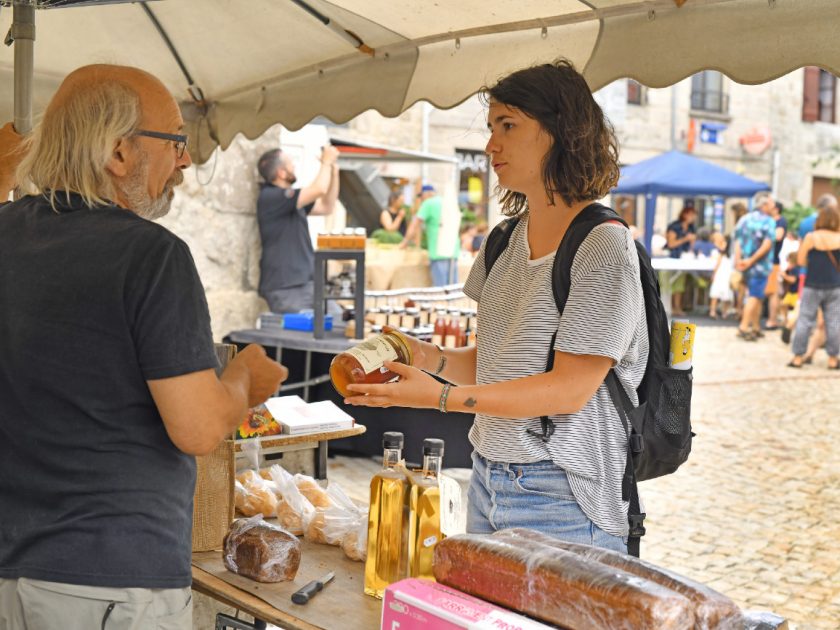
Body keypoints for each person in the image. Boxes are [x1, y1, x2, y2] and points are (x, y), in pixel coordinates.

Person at [0, 64, 287, 629]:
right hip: (108, 580)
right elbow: (199, 428)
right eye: (175, 141)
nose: (185, 161)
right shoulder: (151, 255)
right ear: (117, 152)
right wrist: (243, 382)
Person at [345, 60, 647, 553]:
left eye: (508, 126)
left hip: (564, 494)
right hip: (487, 475)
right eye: (491, 128)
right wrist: (421, 358)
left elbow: (569, 390)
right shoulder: (504, 240)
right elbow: (493, 364)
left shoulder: (602, 246)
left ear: (560, 133)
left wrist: (438, 399)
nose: (491, 145)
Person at [256, 144, 340, 314]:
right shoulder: (271, 196)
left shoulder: (293, 202)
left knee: (337, 322)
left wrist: (334, 172)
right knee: (299, 337)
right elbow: (319, 189)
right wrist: (326, 162)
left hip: (306, 284)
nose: (294, 165)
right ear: (281, 173)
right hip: (287, 287)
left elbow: (326, 207)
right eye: (290, 163)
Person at [788, 205, 840, 369]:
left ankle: (797, 357)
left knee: (805, 320)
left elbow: (801, 261)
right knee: (833, 322)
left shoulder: (811, 237)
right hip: (834, 285)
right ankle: (833, 359)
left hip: (812, 284)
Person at [733, 193, 776, 341]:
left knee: (756, 295)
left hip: (744, 264)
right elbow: (767, 244)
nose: (773, 206)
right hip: (759, 265)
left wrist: (739, 260)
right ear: (763, 205)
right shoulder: (769, 222)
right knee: (755, 296)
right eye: (771, 203)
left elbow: (737, 240)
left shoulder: (744, 219)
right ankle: (744, 327)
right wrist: (751, 261)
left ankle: (756, 327)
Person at [401, 184, 460, 286]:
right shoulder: (447, 202)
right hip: (453, 251)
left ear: (426, 194)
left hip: (438, 252)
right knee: (452, 291)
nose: (421, 199)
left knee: (440, 291)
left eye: (421, 196)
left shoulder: (428, 203)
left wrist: (404, 242)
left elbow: (415, 224)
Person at [665, 204, 697, 315]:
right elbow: (671, 244)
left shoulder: (691, 227)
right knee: (670, 284)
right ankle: (670, 307)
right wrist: (685, 239)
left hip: (684, 259)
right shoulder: (674, 226)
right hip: (671, 259)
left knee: (680, 284)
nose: (694, 217)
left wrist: (692, 241)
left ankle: (678, 308)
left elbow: (691, 246)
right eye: (692, 214)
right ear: (685, 214)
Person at [764, 200, 788, 330]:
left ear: (776, 209)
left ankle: (772, 320)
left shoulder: (781, 221)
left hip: (772, 261)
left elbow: (778, 236)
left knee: (773, 292)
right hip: (765, 260)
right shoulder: (767, 220)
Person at [708, 234, 734, 319]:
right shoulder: (728, 251)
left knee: (716, 292)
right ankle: (723, 312)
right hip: (726, 271)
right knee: (725, 292)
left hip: (721, 272)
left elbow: (718, 262)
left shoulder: (722, 250)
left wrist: (714, 273)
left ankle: (713, 311)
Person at [780, 251, 801, 344]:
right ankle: (786, 321)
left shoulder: (797, 269)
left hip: (796, 294)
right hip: (791, 293)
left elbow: (793, 280)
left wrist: (784, 275)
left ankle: (789, 325)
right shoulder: (792, 269)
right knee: (783, 305)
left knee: (795, 312)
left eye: (789, 262)